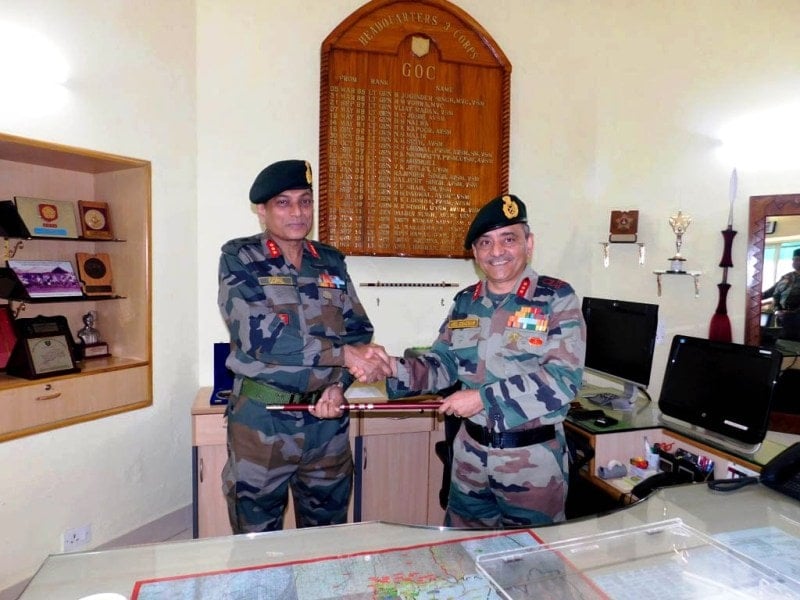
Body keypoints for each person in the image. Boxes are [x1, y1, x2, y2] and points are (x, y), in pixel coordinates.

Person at [366, 194, 586, 528]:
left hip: (532, 464)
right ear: (475, 253)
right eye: (485, 243)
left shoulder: (556, 298)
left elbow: (561, 379)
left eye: (508, 239)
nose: (497, 252)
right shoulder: (466, 301)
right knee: (463, 554)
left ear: (529, 243)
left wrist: (481, 399)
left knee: (532, 564)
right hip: (468, 459)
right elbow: (442, 364)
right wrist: (390, 368)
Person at [218, 159, 390, 533]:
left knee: (327, 536)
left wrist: (337, 385)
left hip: (326, 422)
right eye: (283, 202)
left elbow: (358, 329)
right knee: (256, 540)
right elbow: (260, 336)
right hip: (264, 420)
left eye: (305, 201)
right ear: (261, 211)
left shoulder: (329, 262)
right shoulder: (241, 258)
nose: (297, 212)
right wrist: (342, 355)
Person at [763, 248, 800, 342]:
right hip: (782, 318)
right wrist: (753, 297)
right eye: (794, 259)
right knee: (781, 344)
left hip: (797, 319)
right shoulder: (787, 276)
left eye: (798, 259)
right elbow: (772, 291)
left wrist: (793, 313)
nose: (795, 262)